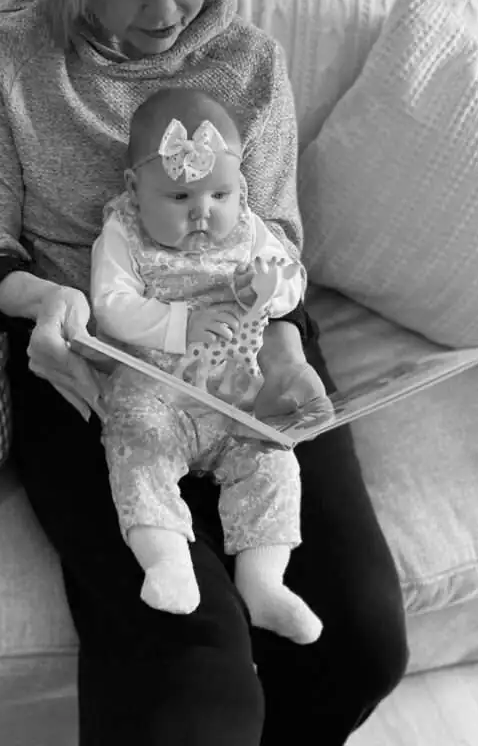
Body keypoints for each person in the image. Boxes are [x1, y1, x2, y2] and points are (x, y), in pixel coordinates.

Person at [0, 0, 408, 746]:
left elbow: (274, 237)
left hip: (249, 336)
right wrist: (47, 301)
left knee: (359, 638)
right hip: (99, 358)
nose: (165, 8)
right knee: (192, 683)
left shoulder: (248, 62)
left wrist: (276, 345)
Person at [91, 87, 324, 644]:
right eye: (178, 197)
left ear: (239, 188)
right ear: (135, 189)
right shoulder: (122, 232)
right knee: (137, 450)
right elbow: (110, 307)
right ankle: (166, 561)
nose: (204, 211)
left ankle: (264, 584)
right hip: (156, 391)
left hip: (238, 392)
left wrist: (273, 288)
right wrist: (178, 325)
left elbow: (294, 284)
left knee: (273, 462)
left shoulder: (250, 228)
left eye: (220, 193)